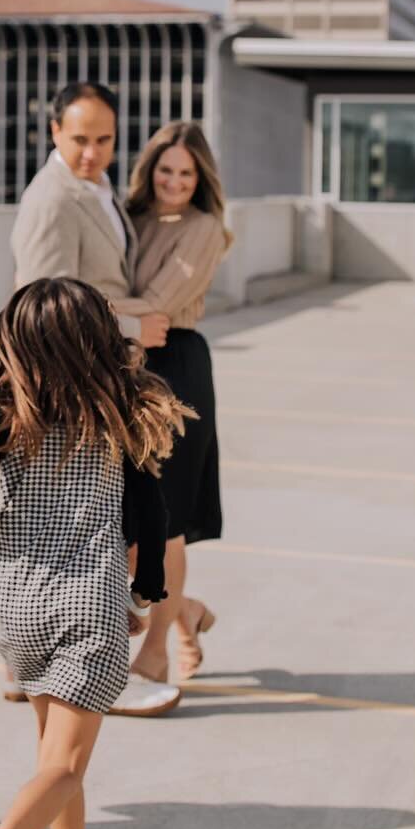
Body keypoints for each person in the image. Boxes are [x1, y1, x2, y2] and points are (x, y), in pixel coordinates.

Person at [0, 278, 187, 829]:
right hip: (89, 605)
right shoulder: (116, 411)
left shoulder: (2, 410)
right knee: (68, 763)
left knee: (55, 760)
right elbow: (151, 515)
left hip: (19, 602)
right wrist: (145, 590)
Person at [9, 80, 179, 716]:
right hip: (76, 388)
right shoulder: (51, 199)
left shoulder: (96, 187)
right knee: (103, 530)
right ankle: (95, 672)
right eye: (79, 139)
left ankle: (33, 664)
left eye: (104, 139)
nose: (92, 152)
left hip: (107, 376)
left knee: (99, 527)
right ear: (54, 131)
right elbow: (41, 305)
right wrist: (133, 325)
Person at [118, 122, 231, 686]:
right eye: (166, 170)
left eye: (187, 173)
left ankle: (158, 648)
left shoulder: (205, 228)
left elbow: (159, 310)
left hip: (176, 369)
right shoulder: (130, 218)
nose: (175, 182)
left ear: (200, 177)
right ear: (150, 170)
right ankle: (183, 610)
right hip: (127, 365)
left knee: (164, 523)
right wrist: (116, 313)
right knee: (129, 523)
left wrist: (85, 301)